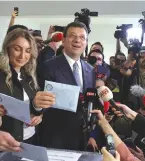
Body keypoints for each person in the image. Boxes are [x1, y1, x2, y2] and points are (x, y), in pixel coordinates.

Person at [38, 22, 95, 150]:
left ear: (86, 43)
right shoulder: (49, 66)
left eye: (82, 37)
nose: (77, 40)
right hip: (56, 136)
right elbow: (44, 105)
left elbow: (89, 102)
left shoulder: (90, 70)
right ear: (63, 40)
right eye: (72, 36)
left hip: (82, 136)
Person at [0, 29, 55, 145]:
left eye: (28, 51)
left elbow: (32, 106)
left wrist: (39, 114)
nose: (22, 56)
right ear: (7, 49)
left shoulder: (29, 77)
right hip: (7, 143)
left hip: (30, 139)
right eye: (17, 49)